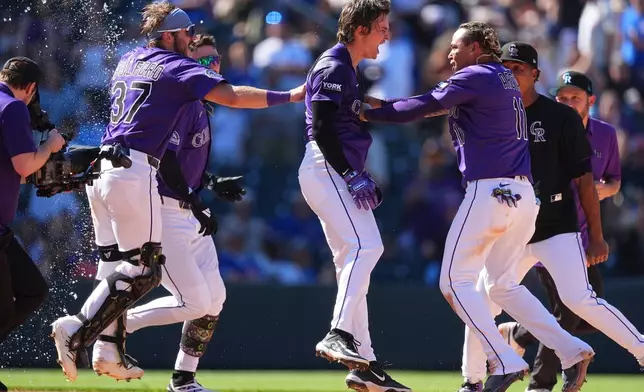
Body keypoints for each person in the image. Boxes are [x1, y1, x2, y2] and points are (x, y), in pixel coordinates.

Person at [50, 2, 304, 383]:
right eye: (186, 35)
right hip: (138, 175)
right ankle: (80, 328)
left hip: (105, 170)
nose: (191, 44)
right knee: (141, 269)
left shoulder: (132, 57)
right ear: (168, 36)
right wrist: (292, 95)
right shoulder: (178, 71)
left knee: (115, 268)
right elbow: (232, 96)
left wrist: (208, 184)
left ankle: (111, 352)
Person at [361, 24, 594, 392]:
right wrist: (383, 106)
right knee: (502, 285)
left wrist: (367, 113)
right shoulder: (501, 78)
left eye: (456, 46)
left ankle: (502, 359)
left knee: (453, 282)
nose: (450, 53)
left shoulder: (476, 74)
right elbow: (431, 108)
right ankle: (571, 348)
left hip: (490, 190)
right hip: (522, 198)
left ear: (476, 47)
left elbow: (424, 106)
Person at [484, 64, 639, 392]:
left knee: (578, 304)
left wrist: (596, 235)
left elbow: (598, 183)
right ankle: (500, 371)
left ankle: (524, 349)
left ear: (590, 101)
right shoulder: (532, 119)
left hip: (563, 229)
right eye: (563, 97)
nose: (568, 102)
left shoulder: (603, 134)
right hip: (523, 224)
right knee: (490, 291)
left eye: (575, 98)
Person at [118, 34, 243, 392]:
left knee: (214, 300)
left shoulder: (202, 103)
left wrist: (210, 181)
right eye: (203, 61)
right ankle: (114, 324)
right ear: (188, 62)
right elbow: (167, 159)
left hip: (186, 207)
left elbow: (184, 158)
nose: (212, 67)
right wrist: (197, 200)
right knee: (195, 301)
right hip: (167, 208)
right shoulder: (185, 98)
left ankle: (183, 378)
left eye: (215, 60)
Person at [299, 1, 411, 391]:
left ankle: (365, 367)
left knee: (354, 260)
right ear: (361, 29)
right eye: (381, 26)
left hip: (330, 169)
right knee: (368, 248)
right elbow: (325, 129)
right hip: (326, 167)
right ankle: (338, 333)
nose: (387, 34)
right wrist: (350, 174)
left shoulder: (344, 66)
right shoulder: (334, 66)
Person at [0, 56, 66, 392]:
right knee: (6, 312)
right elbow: (25, 165)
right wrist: (51, 146)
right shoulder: (12, 107)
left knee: (33, 289)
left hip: (3, 233)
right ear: (31, 88)